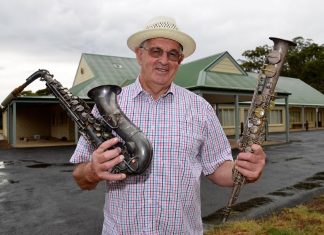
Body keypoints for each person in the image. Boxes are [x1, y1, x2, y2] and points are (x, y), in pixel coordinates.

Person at [70, 16, 266, 234]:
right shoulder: (106, 106)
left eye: (173, 54)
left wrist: (244, 170)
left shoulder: (201, 108)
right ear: (139, 54)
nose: (164, 60)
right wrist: (92, 170)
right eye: (156, 51)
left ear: (179, 61)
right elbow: (80, 176)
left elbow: (218, 168)